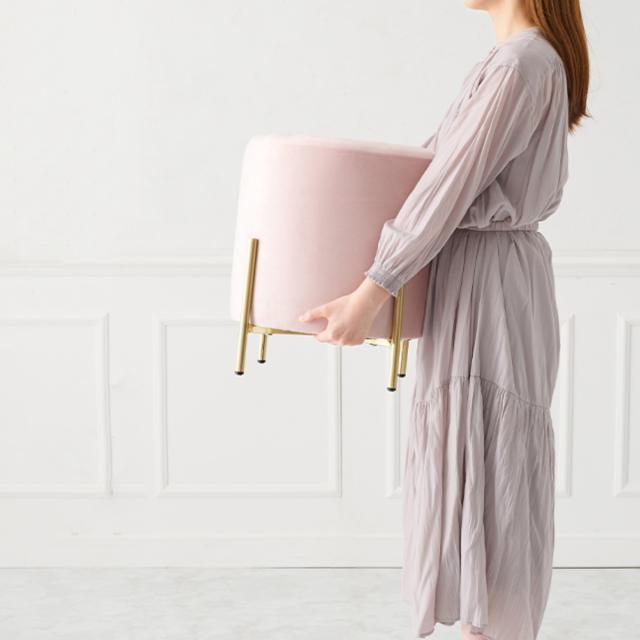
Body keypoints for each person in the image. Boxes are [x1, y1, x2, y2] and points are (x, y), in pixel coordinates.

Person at [299, 0, 589, 638]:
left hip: (491, 283)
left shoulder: (520, 65)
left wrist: (373, 289)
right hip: (484, 276)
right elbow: (433, 172)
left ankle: (494, 628)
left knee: (490, 452)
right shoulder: (514, 61)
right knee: (479, 453)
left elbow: (445, 188)